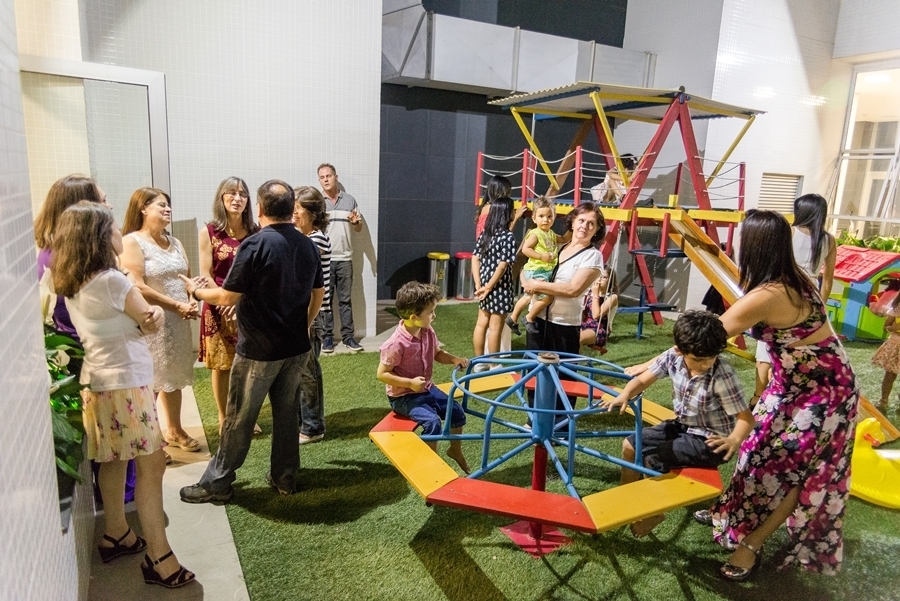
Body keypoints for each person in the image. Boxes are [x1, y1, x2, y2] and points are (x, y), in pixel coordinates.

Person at [708, 210, 858, 580]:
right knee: (755, 451)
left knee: (799, 470)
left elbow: (704, 338)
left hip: (826, 394)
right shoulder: (792, 278)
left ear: (753, 246)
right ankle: (734, 514)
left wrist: (647, 370)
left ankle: (751, 544)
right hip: (791, 387)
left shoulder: (771, 293)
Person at [53, 202, 194, 589]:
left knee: (113, 460)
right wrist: (156, 315)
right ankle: (160, 558)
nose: (120, 232)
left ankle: (116, 532)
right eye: (113, 227)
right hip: (127, 383)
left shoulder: (73, 279)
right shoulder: (112, 281)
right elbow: (151, 321)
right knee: (152, 466)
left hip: (99, 382)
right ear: (100, 237)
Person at [179, 180, 324, 502]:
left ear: (259, 208)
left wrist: (196, 291)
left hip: (259, 349)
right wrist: (305, 324)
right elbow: (318, 292)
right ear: (291, 209)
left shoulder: (255, 244)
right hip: (296, 348)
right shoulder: (307, 245)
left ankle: (217, 484)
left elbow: (227, 296)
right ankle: (285, 477)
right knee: (287, 417)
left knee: (239, 418)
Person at [602, 310, 753, 538]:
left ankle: (654, 512)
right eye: (698, 359)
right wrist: (625, 394)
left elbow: (746, 417)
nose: (705, 364)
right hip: (683, 426)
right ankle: (626, 498)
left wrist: (734, 439)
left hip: (711, 441)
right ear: (679, 350)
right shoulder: (672, 357)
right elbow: (643, 380)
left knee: (654, 458)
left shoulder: (722, 375)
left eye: (710, 358)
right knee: (630, 445)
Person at [120, 188, 201, 456]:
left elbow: (186, 278)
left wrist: (192, 299)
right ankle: (150, 439)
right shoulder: (132, 242)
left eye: (168, 205)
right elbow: (137, 286)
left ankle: (174, 430)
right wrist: (176, 305)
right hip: (152, 322)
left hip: (178, 321)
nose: (168, 209)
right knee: (151, 381)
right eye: (161, 205)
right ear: (143, 208)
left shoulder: (175, 242)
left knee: (172, 378)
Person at [753, 194, 837, 407]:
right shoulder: (828, 239)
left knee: (766, 345)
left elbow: (774, 263)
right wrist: (820, 305)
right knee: (798, 345)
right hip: (811, 294)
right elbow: (827, 280)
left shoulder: (790, 232)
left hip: (785, 289)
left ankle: (758, 396)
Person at [522, 202, 606, 418]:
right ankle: (534, 420)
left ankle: (560, 424)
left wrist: (537, 285)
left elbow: (573, 289)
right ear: (572, 221)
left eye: (591, 223)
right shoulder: (558, 246)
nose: (584, 226)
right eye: (581, 220)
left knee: (564, 377)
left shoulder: (593, 256)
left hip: (565, 325)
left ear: (597, 229)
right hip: (538, 320)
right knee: (534, 372)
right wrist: (526, 280)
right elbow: (529, 266)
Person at [377, 281, 470, 473]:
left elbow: (437, 353)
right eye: (430, 312)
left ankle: (455, 450)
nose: (434, 315)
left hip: (425, 388)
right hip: (403, 397)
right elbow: (382, 374)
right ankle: (430, 464)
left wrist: (454, 359)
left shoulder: (427, 331)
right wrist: (409, 383)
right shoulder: (395, 344)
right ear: (414, 317)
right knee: (432, 422)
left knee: (456, 410)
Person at [197, 177, 259, 432]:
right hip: (217, 307)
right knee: (222, 367)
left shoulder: (256, 232)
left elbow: (259, 274)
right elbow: (206, 273)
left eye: (242, 194)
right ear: (221, 198)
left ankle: (245, 416)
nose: (237, 198)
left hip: (249, 306)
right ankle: (224, 417)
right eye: (231, 193)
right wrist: (225, 299)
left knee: (249, 365)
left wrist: (238, 300)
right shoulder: (209, 231)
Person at [34, 174, 107, 338]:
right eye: (103, 202)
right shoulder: (71, 256)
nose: (109, 206)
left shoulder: (53, 247)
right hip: (80, 343)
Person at [293, 185, 330, 444]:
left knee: (308, 372)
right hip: (305, 314)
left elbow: (305, 279)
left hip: (313, 315)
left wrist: (306, 321)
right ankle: (304, 422)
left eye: (298, 209)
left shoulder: (315, 240)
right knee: (301, 372)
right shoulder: (306, 237)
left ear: (312, 213)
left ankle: (313, 427)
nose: (293, 214)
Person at [317, 163, 362, 353]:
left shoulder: (350, 200)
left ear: (336, 177)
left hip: (345, 259)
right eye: (322, 177)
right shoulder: (317, 202)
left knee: (345, 300)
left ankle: (348, 337)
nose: (326, 179)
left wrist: (356, 222)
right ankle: (327, 338)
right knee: (325, 302)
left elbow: (358, 228)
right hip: (324, 259)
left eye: (328, 176)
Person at [506, 196, 559, 336]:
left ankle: (513, 318)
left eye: (549, 216)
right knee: (548, 297)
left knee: (527, 297)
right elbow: (525, 249)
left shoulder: (551, 233)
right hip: (537, 270)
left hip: (541, 270)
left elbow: (563, 239)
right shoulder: (536, 233)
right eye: (541, 216)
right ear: (534, 218)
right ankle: (528, 318)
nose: (545, 220)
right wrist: (541, 256)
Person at [472, 197, 516, 359]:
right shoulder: (508, 237)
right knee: (495, 328)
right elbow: (503, 265)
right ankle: (493, 365)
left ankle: (478, 361)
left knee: (481, 324)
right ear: (507, 213)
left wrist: (479, 284)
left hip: (483, 285)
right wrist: (490, 286)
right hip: (500, 288)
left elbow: (475, 258)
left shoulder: (486, 234)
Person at [872, 291, 900, 410]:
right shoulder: (896, 309)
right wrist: (892, 328)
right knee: (890, 374)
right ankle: (883, 400)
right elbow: (885, 328)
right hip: (895, 344)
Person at [579, 267, 618, 353]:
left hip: (598, 329)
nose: (599, 279)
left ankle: (575, 361)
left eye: (603, 277)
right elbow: (583, 314)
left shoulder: (612, 297)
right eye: (598, 276)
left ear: (610, 280)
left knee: (579, 338)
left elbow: (596, 315)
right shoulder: (589, 293)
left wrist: (595, 294)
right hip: (584, 324)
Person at [474, 174, 525, 239]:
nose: (509, 196)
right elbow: (504, 235)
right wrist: (516, 217)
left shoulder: (486, 207)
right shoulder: (494, 208)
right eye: (508, 193)